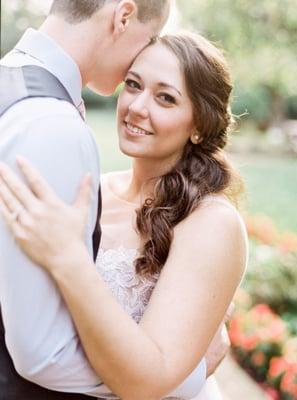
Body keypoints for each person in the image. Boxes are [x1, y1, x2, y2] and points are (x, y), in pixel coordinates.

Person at [0, 32, 248, 399]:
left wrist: (68, 257)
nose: (136, 106)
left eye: (165, 98)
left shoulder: (211, 222)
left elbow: (147, 380)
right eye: (133, 85)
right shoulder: (92, 187)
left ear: (199, 124)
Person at [0, 0, 172, 398]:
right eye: (147, 41)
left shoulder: (11, 81)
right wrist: (174, 376)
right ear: (123, 16)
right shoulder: (53, 125)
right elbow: (44, 354)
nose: (139, 60)